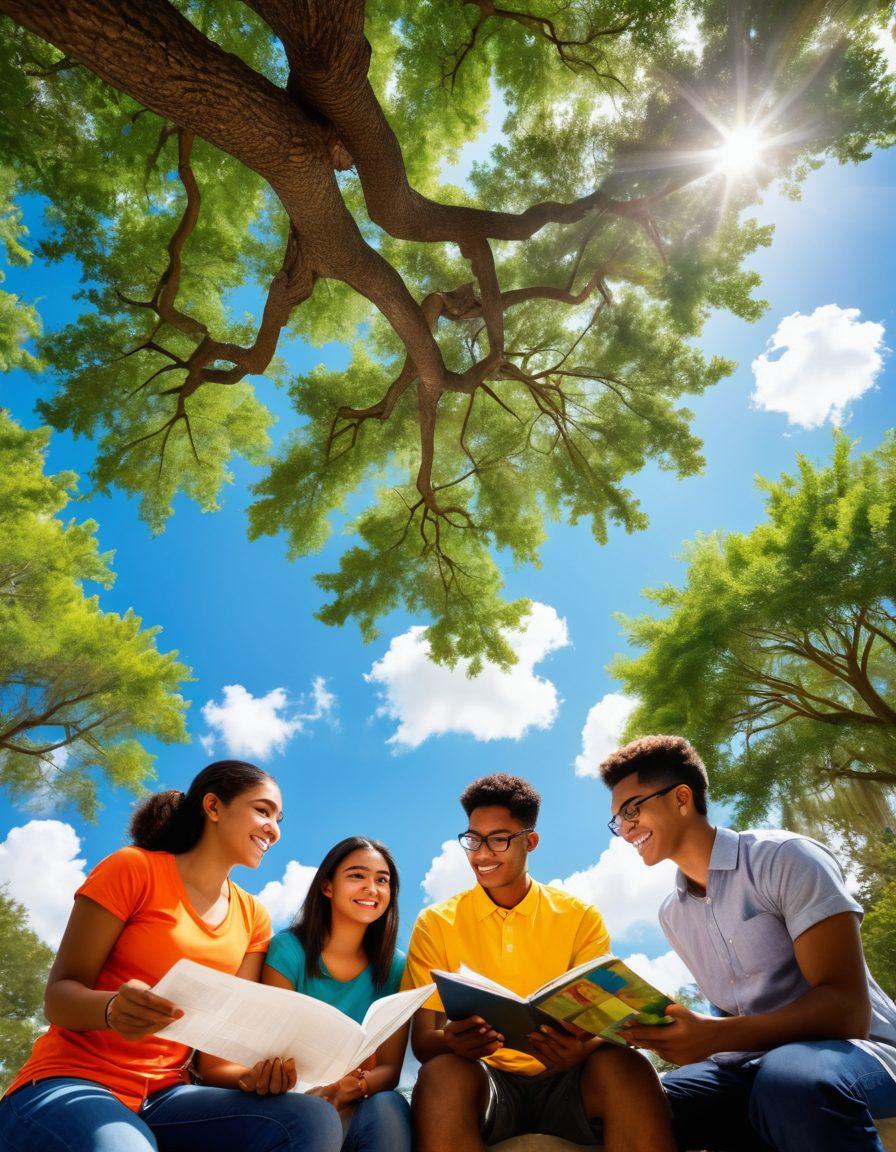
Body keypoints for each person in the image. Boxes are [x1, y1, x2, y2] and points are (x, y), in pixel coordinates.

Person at [0, 759, 344, 1152]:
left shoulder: (253, 917)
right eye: (263, 810)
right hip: (71, 1081)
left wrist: (255, 1076)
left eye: (279, 818)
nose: (274, 829)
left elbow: (214, 1063)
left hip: (166, 1098)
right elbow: (59, 997)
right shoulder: (133, 869)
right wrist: (111, 1010)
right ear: (213, 807)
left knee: (309, 1118)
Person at [598, 733, 896, 1152]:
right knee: (642, 1100)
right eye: (617, 820)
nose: (625, 830)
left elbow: (847, 1011)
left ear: (682, 798)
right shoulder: (673, 914)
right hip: (749, 1062)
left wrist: (715, 1036)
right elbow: (731, 1010)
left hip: (858, 1051)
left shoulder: (786, 858)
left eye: (632, 810)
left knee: (789, 1081)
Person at [403, 772, 676, 1152]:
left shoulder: (579, 916)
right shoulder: (435, 923)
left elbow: (608, 1021)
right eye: (473, 839)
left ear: (530, 841)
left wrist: (582, 1048)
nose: (481, 854)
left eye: (498, 840)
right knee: (441, 1075)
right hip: (488, 1083)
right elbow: (423, 1042)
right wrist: (454, 1042)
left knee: (628, 1067)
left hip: (571, 1080)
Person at [263, 835, 411, 1152]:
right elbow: (270, 1049)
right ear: (327, 887)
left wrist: (348, 1089)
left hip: (356, 1100)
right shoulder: (288, 951)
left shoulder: (395, 966)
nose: (372, 889)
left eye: (381, 880)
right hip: (291, 1100)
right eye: (357, 876)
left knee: (390, 1106)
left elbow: (390, 1068)